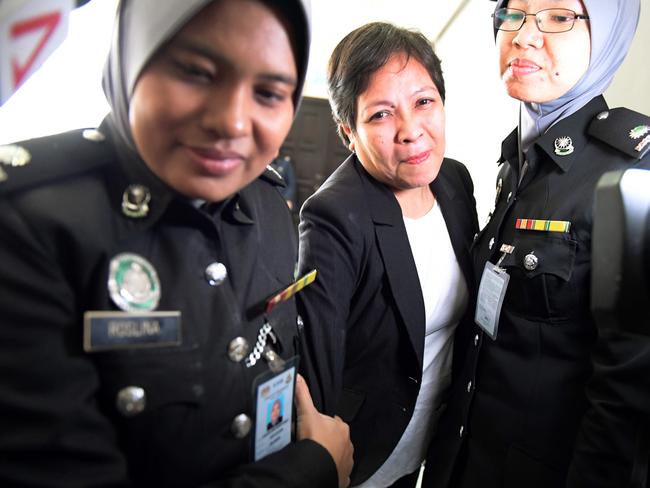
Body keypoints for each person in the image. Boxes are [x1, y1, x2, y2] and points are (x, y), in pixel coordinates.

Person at [0, 1, 354, 487]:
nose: (232, 121)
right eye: (195, 72)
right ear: (129, 62)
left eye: (269, 92)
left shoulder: (268, 204)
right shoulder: (29, 227)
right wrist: (311, 469)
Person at [424, 1, 650, 487]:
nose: (524, 35)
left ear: (607, 34)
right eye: (514, 12)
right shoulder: (518, 161)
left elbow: (628, 398)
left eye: (559, 16)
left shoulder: (632, 173)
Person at [297, 22, 478, 487]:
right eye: (381, 115)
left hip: (436, 443)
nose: (411, 131)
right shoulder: (334, 216)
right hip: (363, 455)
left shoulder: (454, 182)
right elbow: (314, 374)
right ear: (348, 132)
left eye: (423, 102)